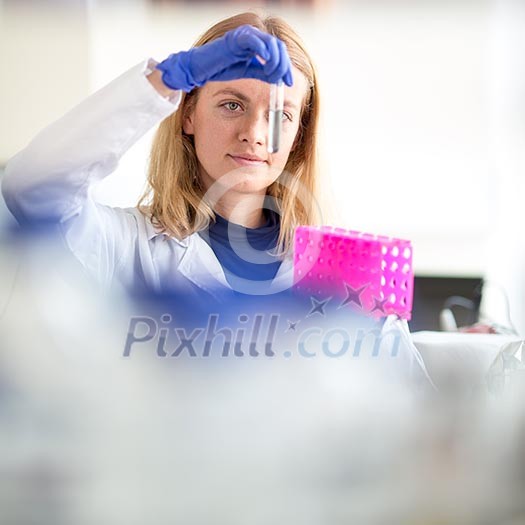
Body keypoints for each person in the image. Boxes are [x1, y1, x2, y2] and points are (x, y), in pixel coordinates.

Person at [1, 12, 319, 301]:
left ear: (297, 137)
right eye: (232, 105)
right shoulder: (125, 246)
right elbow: (31, 187)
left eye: (280, 116)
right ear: (188, 114)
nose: (254, 133)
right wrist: (168, 79)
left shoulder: (326, 267)